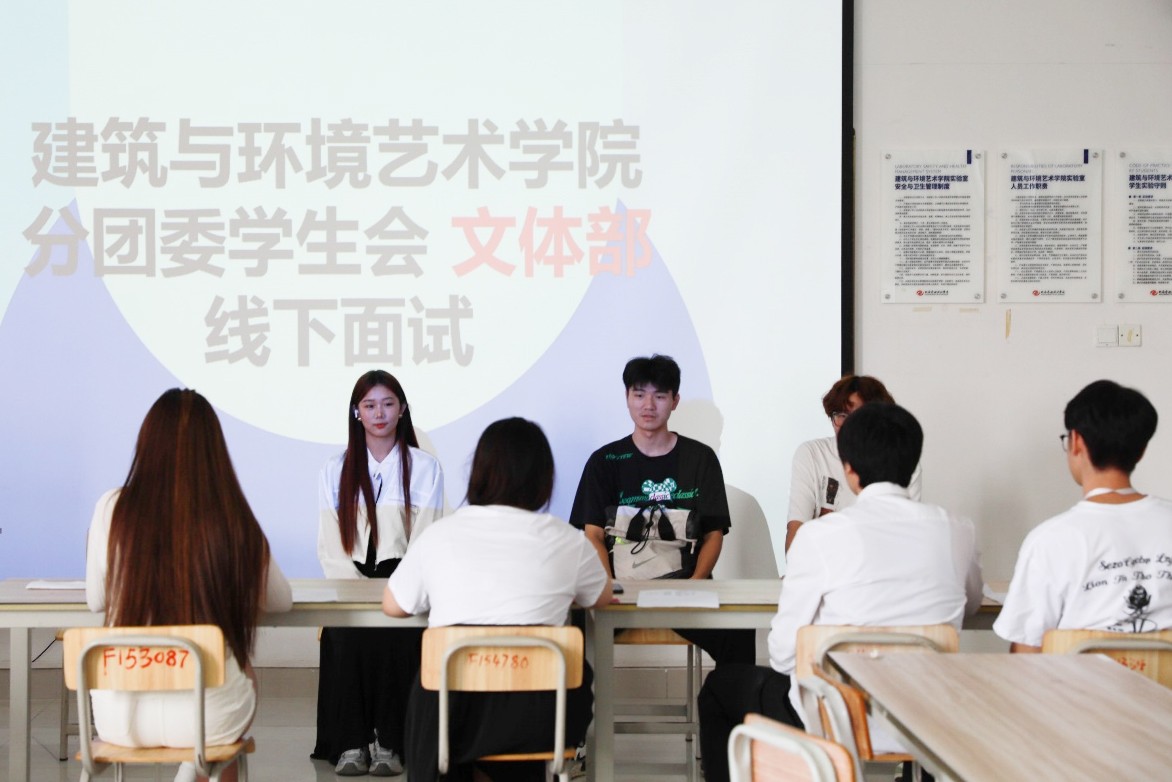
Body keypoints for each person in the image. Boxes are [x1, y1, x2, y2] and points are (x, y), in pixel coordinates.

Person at [697, 402, 982, 782]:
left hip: (834, 717)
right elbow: (971, 604)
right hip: (925, 720)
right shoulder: (957, 530)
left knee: (718, 690)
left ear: (849, 469)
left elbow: (783, 654)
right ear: (913, 463)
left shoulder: (818, 536)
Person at [384, 417, 612, 782]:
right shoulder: (568, 540)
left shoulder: (440, 535)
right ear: (544, 479)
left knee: (428, 677)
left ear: (478, 473)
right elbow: (601, 597)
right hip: (540, 718)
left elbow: (394, 606)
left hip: (453, 717)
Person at [85, 389, 292, 782]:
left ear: (146, 443)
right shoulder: (232, 514)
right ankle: (192, 773)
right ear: (215, 452)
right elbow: (281, 601)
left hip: (119, 720)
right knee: (239, 672)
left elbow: (96, 599)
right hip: (207, 719)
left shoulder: (112, 507)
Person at [568, 354, 755, 666]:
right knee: (572, 629)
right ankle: (580, 699)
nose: (648, 405)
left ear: (675, 400)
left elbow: (714, 534)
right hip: (620, 590)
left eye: (660, 396)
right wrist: (612, 587)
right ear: (627, 397)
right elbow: (594, 535)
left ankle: (723, 699)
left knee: (738, 634)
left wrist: (696, 584)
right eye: (639, 394)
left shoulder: (700, 458)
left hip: (686, 589)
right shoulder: (605, 461)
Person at [314, 370, 445, 776]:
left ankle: (389, 742)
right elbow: (329, 543)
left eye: (388, 404)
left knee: (396, 636)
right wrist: (354, 591)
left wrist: (398, 589)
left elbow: (425, 538)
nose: (379, 413)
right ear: (357, 412)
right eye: (369, 405)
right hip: (349, 580)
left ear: (402, 409)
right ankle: (351, 743)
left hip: (402, 578)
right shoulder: (334, 468)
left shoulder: (425, 467)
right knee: (345, 635)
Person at [995, 380, 1172, 651]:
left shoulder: (1049, 540)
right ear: (1141, 450)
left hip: (1079, 679)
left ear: (1076, 441)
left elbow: (1025, 654)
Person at [785, 374, 922, 551]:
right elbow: (796, 540)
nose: (849, 425)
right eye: (841, 415)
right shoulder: (812, 454)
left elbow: (905, 535)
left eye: (860, 417)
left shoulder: (902, 462)